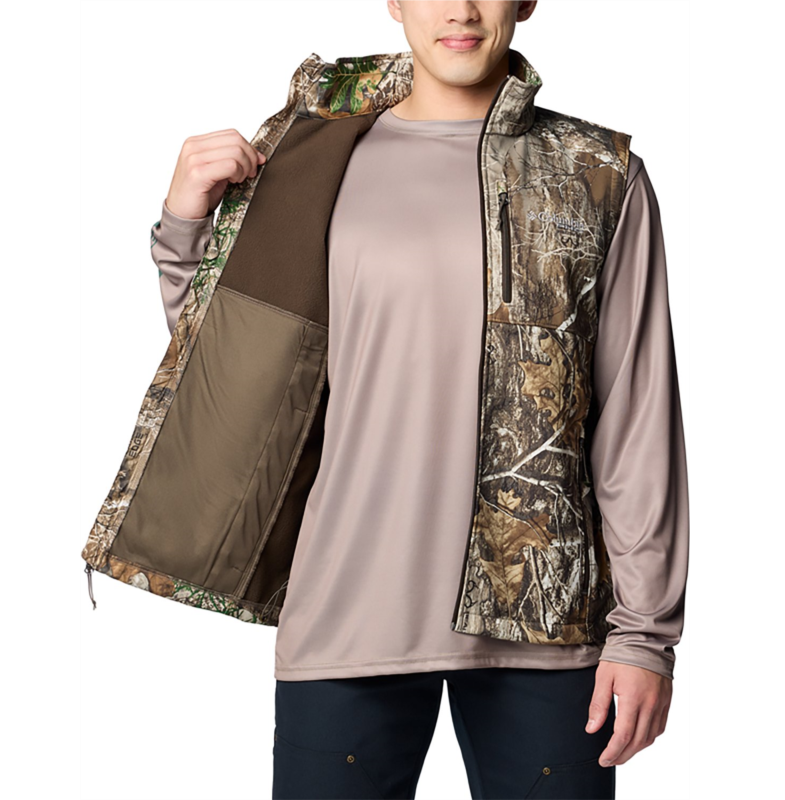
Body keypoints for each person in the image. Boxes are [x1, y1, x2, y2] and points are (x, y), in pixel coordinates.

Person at [86, 1, 689, 798]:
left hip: (545, 624)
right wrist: (184, 230)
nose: (460, 9)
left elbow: (637, 419)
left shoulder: (596, 173)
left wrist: (645, 636)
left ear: (527, 1)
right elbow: (247, 375)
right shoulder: (309, 154)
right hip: (346, 612)